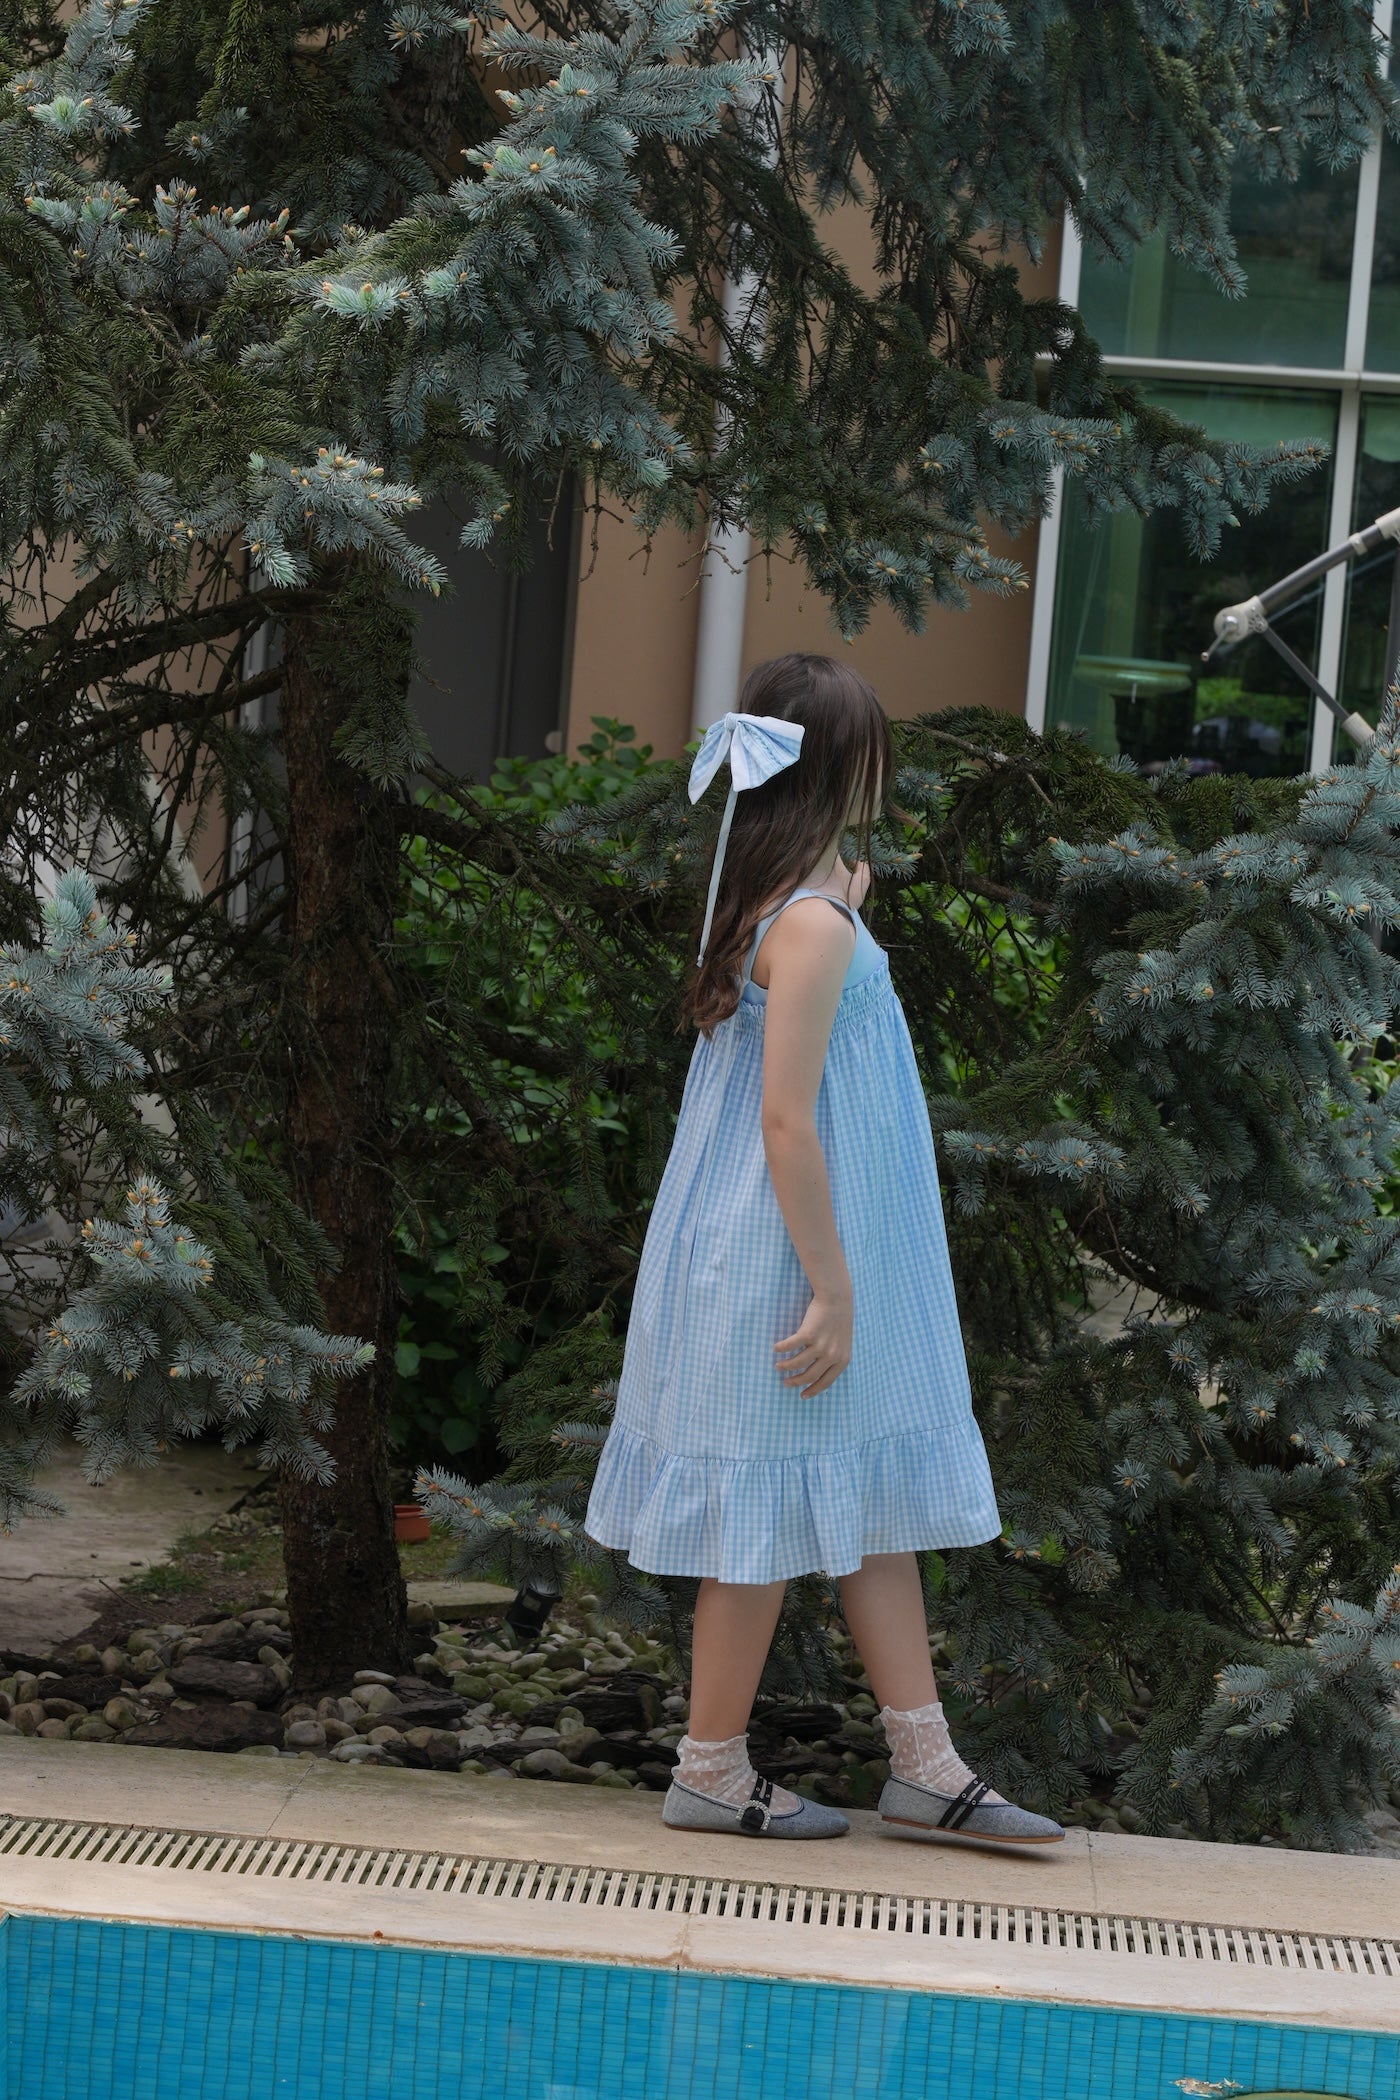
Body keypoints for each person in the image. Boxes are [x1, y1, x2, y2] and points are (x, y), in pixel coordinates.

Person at [585, 653, 1062, 1847]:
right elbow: (786, 1116)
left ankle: (925, 1763)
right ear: (838, 767)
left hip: (786, 1244)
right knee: (760, 1506)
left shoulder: (791, 905)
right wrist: (834, 1288)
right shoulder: (804, 925)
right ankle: (708, 1770)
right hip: (788, 1260)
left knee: (863, 1501)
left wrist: (842, 908)